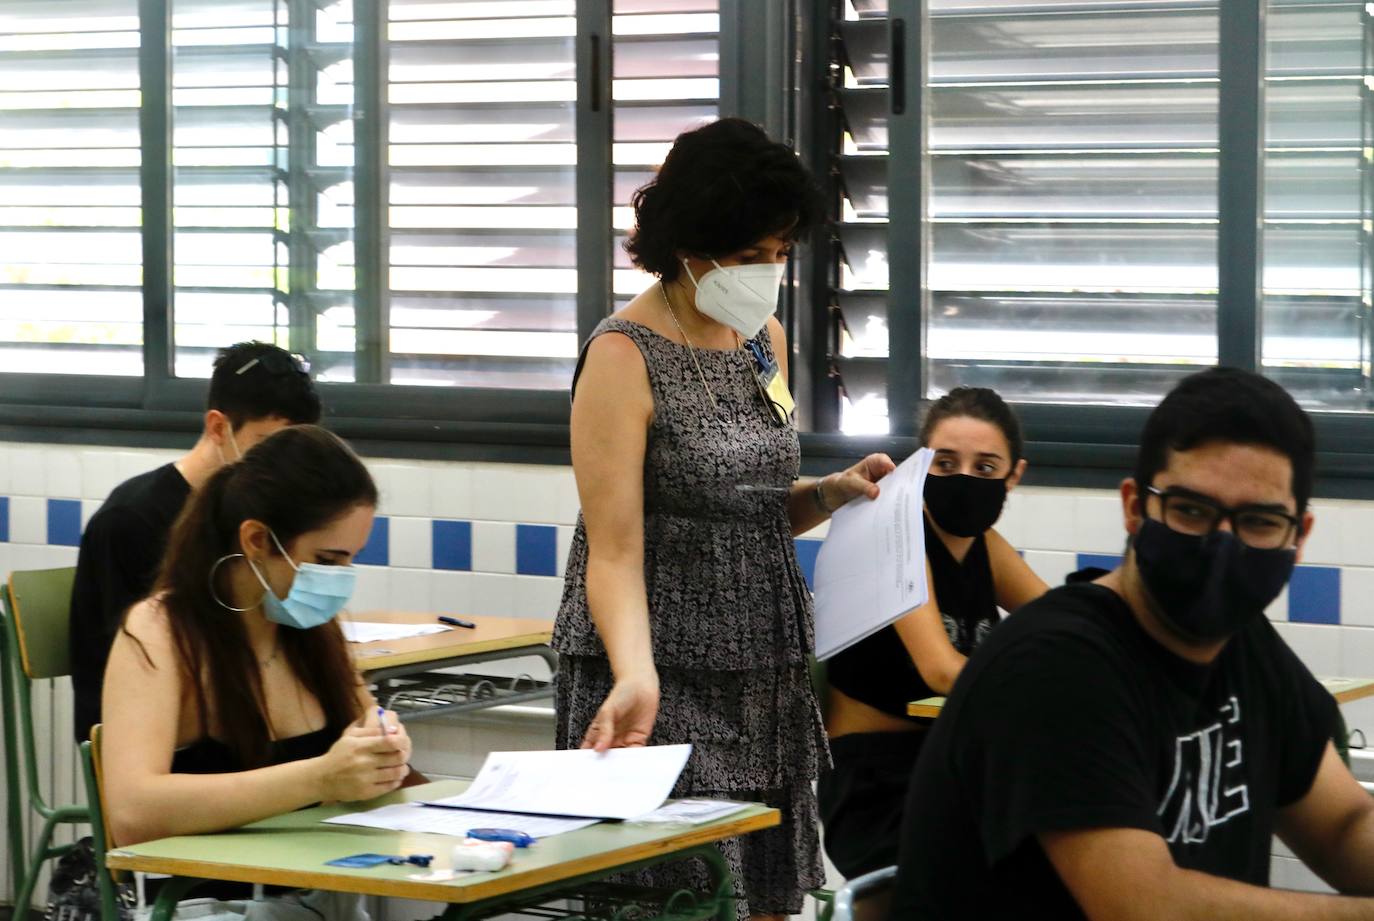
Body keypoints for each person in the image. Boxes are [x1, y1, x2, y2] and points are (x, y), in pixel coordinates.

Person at [552, 117, 895, 921]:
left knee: (768, 894)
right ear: (688, 244)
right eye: (750, 256)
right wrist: (637, 672)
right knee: (681, 898)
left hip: (762, 662)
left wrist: (831, 492)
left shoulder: (760, 338)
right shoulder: (622, 355)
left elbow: (747, 509)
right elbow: (613, 553)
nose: (769, 272)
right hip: (657, 667)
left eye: (779, 253)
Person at [888, 367, 1374, 920]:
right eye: (1191, 511)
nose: (1221, 545)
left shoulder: (1243, 644)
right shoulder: (1055, 667)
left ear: (1298, 536)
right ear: (1135, 507)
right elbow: (1144, 909)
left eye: (1259, 522)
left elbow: (1342, 824)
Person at [102, 425, 410, 917]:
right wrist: (320, 779)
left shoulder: (309, 631)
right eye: (326, 560)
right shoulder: (160, 631)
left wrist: (385, 754)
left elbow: (371, 747)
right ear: (257, 540)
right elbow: (133, 814)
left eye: (350, 561)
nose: (339, 579)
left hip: (319, 899)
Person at [818, 387, 1047, 879]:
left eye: (986, 467)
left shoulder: (985, 543)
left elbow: (1059, 625)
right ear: (918, 465)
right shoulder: (891, 531)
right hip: (878, 784)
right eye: (945, 464)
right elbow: (941, 669)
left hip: (955, 767)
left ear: (1014, 476)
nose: (964, 478)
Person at [70, 342, 320, 744]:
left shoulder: (261, 516)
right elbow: (128, 674)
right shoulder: (132, 520)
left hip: (242, 719)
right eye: (267, 446)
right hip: (157, 740)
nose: (281, 470)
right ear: (219, 428)